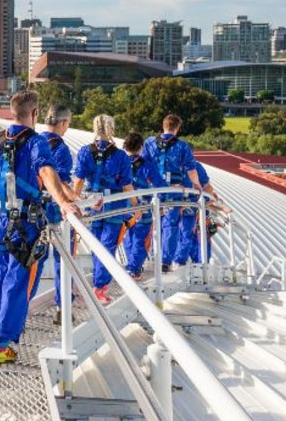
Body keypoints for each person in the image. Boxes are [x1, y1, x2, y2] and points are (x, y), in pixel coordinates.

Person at [0, 90, 81, 364]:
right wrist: (64, 203)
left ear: (13, 112)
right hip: (25, 226)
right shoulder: (36, 143)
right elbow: (47, 172)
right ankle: (3, 344)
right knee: (17, 284)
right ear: (34, 114)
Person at [73, 114, 134, 304]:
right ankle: (100, 286)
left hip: (92, 203)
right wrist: (136, 205)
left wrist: (77, 202)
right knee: (108, 246)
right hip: (114, 204)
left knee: (96, 244)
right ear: (112, 129)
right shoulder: (121, 156)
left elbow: (78, 182)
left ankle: (99, 284)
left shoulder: (85, 152)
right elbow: (126, 186)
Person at [141, 114, 204, 272]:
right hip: (172, 190)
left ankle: (146, 258)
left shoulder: (149, 142)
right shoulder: (182, 147)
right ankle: (165, 261)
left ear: (163, 126)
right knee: (170, 225)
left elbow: (143, 164)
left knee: (152, 222)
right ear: (177, 128)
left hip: (154, 189)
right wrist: (197, 185)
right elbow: (191, 169)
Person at [38, 105, 78, 325]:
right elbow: (61, 183)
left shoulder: (34, 142)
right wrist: (76, 201)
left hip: (34, 212)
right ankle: (63, 309)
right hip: (56, 212)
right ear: (63, 123)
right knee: (63, 261)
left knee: (33, 262)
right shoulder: (61, 149)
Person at [121, 131, 165, 279]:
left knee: (128, 238)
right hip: (143, 207)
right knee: (141, 239)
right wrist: (160, 202)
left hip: (124, 207)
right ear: (141, 147)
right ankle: (133, 268)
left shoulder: (120, 162)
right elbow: (160, 185)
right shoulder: (147, 165)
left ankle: (133, 266)